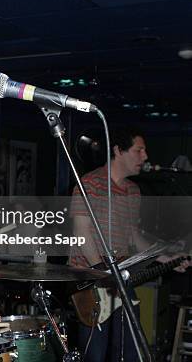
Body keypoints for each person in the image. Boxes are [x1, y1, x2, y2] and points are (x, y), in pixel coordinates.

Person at [69, 126, 187, 361]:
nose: (145, 157)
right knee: (95, 354)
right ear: (118, 151)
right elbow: (81, 233)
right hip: (91, 282)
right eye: (139, 150)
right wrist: (103, 273)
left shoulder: (134, 191)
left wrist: (166, 259)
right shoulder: (89, 184)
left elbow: (133, 237)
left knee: (131, 351)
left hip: (121, 278)